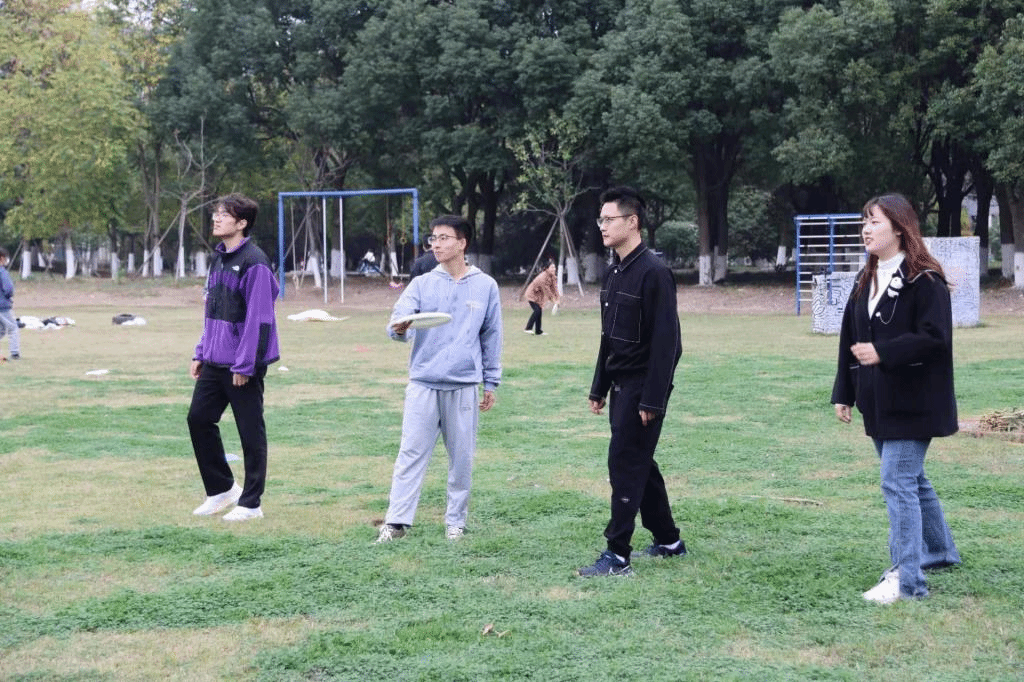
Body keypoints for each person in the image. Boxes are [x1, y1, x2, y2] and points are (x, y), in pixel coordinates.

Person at [831, 192, 961, 604]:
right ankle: (939, 551)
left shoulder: (926, 280)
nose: (866, 229)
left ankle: (907, 582)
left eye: (875, 222)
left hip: (915, 403)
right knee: (912, 479)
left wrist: (885, 352)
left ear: (900, 229)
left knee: (897, 481)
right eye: (864, 222)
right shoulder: (865, 277)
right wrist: (844, 392)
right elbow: (849, 339)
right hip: (878, 401)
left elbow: (936, 339)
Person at [579, 186, 686, 577]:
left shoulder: (654, 273)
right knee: (639, 462)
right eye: (601, 219)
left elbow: (668, 344)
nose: (602, 226)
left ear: (632, 222)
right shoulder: (613, 273)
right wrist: (599, 387)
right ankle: (669, 541)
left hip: (643, 388)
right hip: (620, 384)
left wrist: (652, 400)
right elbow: (608, 338)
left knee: (624, 464)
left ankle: (617, 555)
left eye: (609, 219)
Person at [377, 215, 503, 543]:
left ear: (462, 243)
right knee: (410, 453)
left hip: (463, 385)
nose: (436, 244)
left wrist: (491, 382)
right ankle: (396, 523)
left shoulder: (485, 286)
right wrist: (399, 329)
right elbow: (398, 323)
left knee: (461, 459)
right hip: (423, 383)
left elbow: (492, 335)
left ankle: (455, 523)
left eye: (444, 238)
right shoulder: (422, 283)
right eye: (433, 238)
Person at [187, 193, 280, 522]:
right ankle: (222, 490)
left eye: (224, 215)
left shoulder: (255, 262)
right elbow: (212, 311)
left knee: (250, 433)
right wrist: (201, 351)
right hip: (215, 361)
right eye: (216, 213)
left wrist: (246, 364)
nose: (216, 218)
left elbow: (259, 318)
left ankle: (251, 504)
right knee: (198, 419)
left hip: (243, 364)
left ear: (242, 223)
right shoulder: (218, 258)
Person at [523, 260, 560, 335]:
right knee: (537, 311)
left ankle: (538, 331)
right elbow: (547, 291)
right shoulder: (542, 277)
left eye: (554, 267)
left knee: (539, 311)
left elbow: (555, 288)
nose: (554, 269)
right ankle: (528, 328)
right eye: (552, 267)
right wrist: (554, 301)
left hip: (539, 296)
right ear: (547, 268)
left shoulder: (553, 277)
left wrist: (558, 299)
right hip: (531, 295)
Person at [0, 247, 21, 362]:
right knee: (13, 328)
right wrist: (8, 296)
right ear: (2, 258)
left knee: (2, 330)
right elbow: (8, 289)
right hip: (2, 306)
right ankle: (15, 353)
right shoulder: (2, 272)